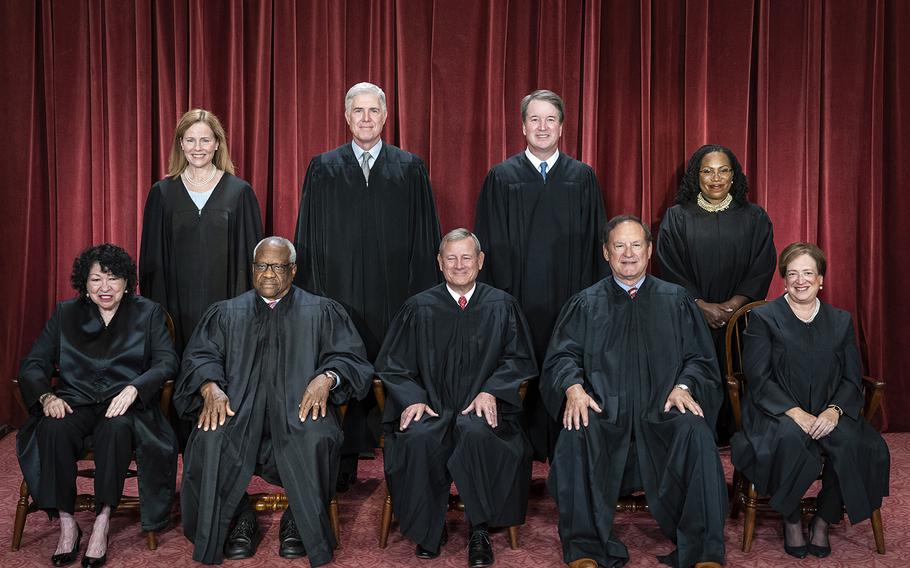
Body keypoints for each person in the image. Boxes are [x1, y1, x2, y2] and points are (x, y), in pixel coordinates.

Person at [174, 236, 373, 566]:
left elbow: (351, 358)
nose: (269, 273)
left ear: (292, 270)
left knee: (317, 437)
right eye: (262, 265)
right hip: (237, 412)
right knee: (209, 438)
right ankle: (240, 518)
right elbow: (199, 356)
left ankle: (299, 517)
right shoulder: (226, 313)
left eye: (278, 266)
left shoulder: (322, 311)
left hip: (299, 412)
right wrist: (210, 386)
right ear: (252, 269)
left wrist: (328, 377)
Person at [542, 216, 726, 568]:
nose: (628, 254)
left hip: (663, 411)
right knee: (575, 431)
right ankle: (585, 547)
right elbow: (562, 355)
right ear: (606, 253)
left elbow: (700, 358)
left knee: (696, 432)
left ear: (650, 250)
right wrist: (574, 388)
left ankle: (702, 550)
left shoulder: (676, 301)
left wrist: (684, 386)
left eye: (636, 245)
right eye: (619, 246)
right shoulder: (586, 303)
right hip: (603, 412)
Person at [294, 82, 441, 490]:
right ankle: (341, 464)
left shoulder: (409, 167)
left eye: (372, 111)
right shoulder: (323, 167)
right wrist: (314, 296)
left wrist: (421, 298)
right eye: (357, 111)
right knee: (340, 364)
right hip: (337, 293)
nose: (365, 118)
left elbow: (425, 236)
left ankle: (398, 459)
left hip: (394, 294)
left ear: (385, 116)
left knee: (394, 370)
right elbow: (307, 236)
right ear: (346, 117)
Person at [376, 229, 537, 567]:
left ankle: (479, 528)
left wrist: (492, 389)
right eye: (451, 258)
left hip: (480, 408)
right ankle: (427, 530)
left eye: (467, 257)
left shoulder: (501, 305)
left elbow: (520, 360)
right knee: (418, 438)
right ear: (439, 263)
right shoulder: (418, 308)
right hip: (432, 407)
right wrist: (413, 398)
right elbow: (393, 365)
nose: (459, 265)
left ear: (480, 261)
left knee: (478, 433)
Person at [16, 244, 178, 568]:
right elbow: (33, 364)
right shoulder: (65, 314)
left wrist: (136, 387)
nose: (105, 287)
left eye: (113, 278)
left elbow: (167, 361)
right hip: (74, 401)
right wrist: (48, 397)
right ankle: (67, 524)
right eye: (96, 280)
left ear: (127, 283)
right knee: (52, 429)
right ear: (84, 284)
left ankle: (103, 520)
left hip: (124, 405)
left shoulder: (148, 314)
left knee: (116, 431)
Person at [731, 242, 889, 558]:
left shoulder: (840, 321)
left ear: (821, 280)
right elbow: (759, 378)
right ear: (783, 279)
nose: (800, 281)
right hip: (777, 411)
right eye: (793, 274)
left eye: (808, 273)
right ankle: (790, 518)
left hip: (829, 409)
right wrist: (796, 413)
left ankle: (823, 518)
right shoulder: (764, 318)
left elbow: (850, 377)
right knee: (788, 439)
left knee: (857, 444)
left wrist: (834, 410)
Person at [474, 89, 608, 462]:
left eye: (550, 119)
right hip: (516, 299)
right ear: (522, 126)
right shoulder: (502, 178)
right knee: (518, 364)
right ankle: (520, 451)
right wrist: (498, 304)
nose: (542, 126)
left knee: (567, 362)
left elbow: (599, 244)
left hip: (571, 299)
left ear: (562, 128)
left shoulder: (582, 178)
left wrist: (592, 301)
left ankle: (564, 445)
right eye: (535, 119)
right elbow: (487, 245)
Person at [657, 144, 776, 443]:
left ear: (734, 176)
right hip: (690, 316)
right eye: (707, 171)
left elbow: (762, 265)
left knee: (740, 372)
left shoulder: (754, 217)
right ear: (696, 177)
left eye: (723, 170)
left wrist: (733, 306)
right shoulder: (677, 217)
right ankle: (696, 430)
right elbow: (670, 266)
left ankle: (739, 430)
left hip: (741, 323)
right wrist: (700, 305)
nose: (716, 178)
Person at [140, 108, 263, 353]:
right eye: (191, 140)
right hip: (175, 308)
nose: (198, 147)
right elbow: (151, 262)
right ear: (181, 144)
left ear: (217, 144)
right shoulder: (162, 193)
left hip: (227, 307)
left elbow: (252, 260)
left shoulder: (239, 192)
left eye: (205, 140)